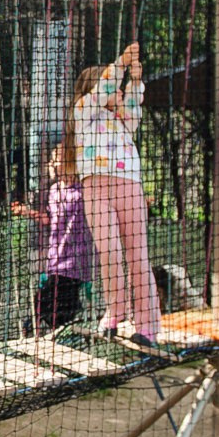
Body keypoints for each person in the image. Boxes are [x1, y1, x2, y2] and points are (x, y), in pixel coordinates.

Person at [64, 43, 159, 343]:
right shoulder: (84, 115)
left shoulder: (123, 122)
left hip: (129, 189)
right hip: (97, 191)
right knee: (110, 253)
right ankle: (115, 312)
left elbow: (134, 105)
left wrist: (134, 80)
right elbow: (103, 90)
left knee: (138, 257)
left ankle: (147, 325)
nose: (117, 92)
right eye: (112, 88)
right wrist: (120, 65)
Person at [11, 143, 94, 331]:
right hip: (56, 257)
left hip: (76, 260)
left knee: (48, 300)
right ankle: (58, 329)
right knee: (53, 304)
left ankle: (46, 327)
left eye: (55, 159)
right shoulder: (55, 190)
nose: (51, 163)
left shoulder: (84, 191)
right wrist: (26, 211)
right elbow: (49, 219)